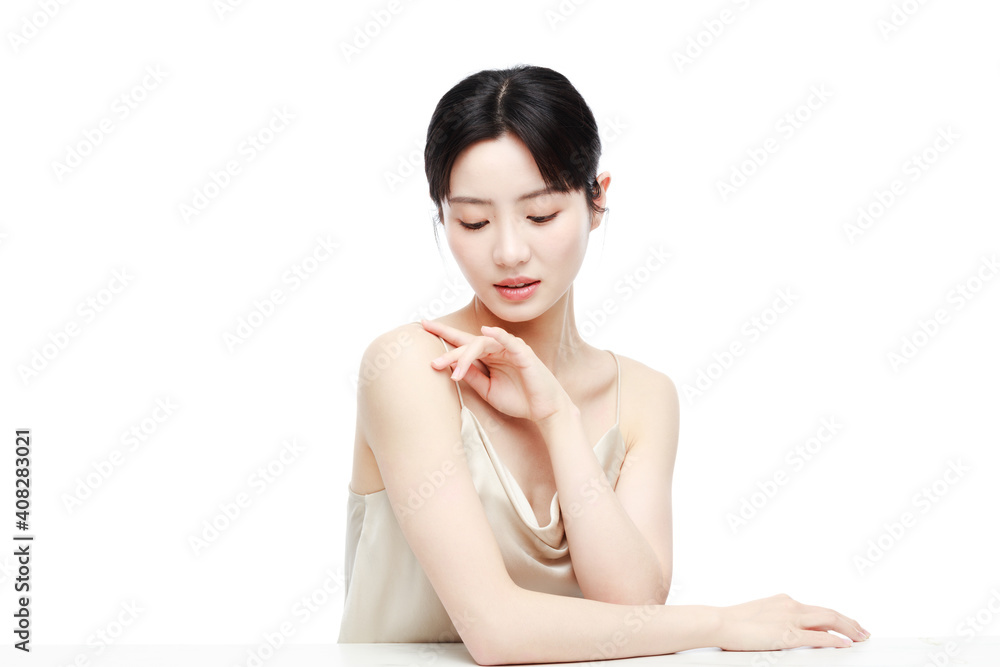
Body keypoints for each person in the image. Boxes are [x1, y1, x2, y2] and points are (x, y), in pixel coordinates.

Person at [338, 64, 869, 665]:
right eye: (474, 221)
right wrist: (720, 622)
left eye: (541, 215)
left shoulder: (644, 397)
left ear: (597, 201)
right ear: (444, 219)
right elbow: (495, 631)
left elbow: (631, 604)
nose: (509, 251)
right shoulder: (411, 367)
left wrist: (557, 417)